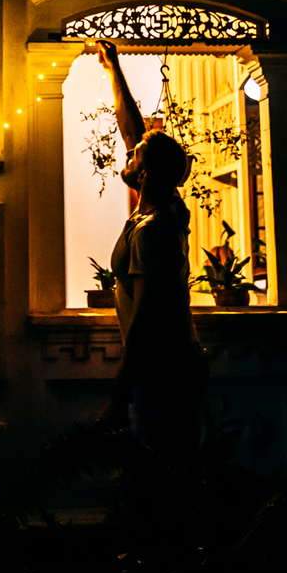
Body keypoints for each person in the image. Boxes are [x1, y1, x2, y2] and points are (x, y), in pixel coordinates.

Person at [90, 40, 208, 459]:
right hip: (162, 368)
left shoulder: (157, 230)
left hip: (164, 372)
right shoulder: (162, 208)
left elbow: (144, 320)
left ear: (144, 172)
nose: (128, 150)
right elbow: (135, 133)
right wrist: (113, 70)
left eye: (135, 155)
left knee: (165, 477)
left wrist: (119, 393)